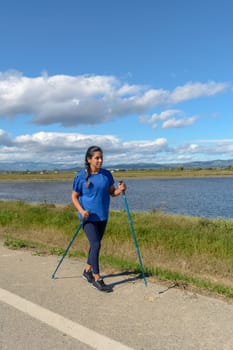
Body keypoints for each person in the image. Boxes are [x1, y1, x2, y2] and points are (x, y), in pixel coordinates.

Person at [71, 145, 127, 292]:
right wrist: (82, 211)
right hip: (88, 217)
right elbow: (74, 196)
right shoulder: (81, 177)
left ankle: (87, 271)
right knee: (96, 244)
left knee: (95, 245)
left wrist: (120, 190)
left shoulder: (107, 175)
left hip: (102, 216)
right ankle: (97, 278)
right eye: (97, 158)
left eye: (101, 157)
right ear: (89, 159)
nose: (100, 160)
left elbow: (112, 193)